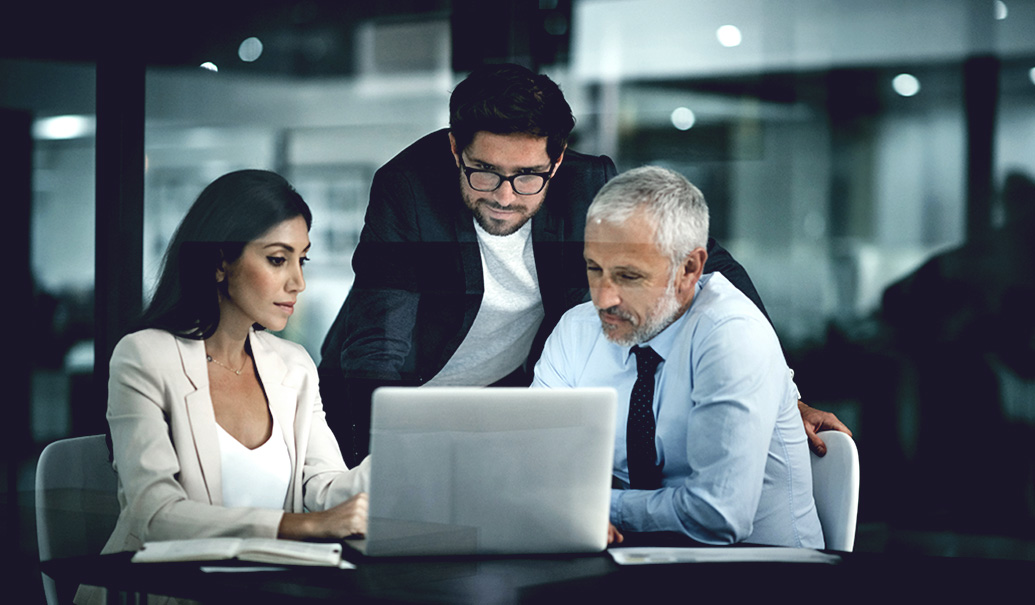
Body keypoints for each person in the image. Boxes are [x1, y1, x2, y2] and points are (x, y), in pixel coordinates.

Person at [319, 63, 848, 466]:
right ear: (456, 147)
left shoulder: (588, 186)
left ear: (558, 158)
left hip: (500, 405)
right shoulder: (406, 188)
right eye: (483, 172)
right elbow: (377, 345)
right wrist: (381, 460)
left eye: (528, 176)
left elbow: (709, 266)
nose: (505, 197)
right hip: (382, 406)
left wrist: (787, 396)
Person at [78, 170, 368, 604]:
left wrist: (398, 462)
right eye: (277, 259)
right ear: (219, 262)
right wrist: (301, 526)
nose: (298, 283)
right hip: (159, 594)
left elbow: (323, 486)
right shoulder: (144, 356)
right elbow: (155, 515)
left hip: (264, 591)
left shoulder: (294, 365)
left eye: (301, 260)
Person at [533, 166, 824, 547]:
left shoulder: (732, 335)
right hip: (634, 566)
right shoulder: (577, 329)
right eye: (594, 269)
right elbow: (533, 470)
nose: (603, 298)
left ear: (689, 269)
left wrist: (594, 506)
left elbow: (718, 516)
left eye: (628, 276)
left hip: (763, 573)